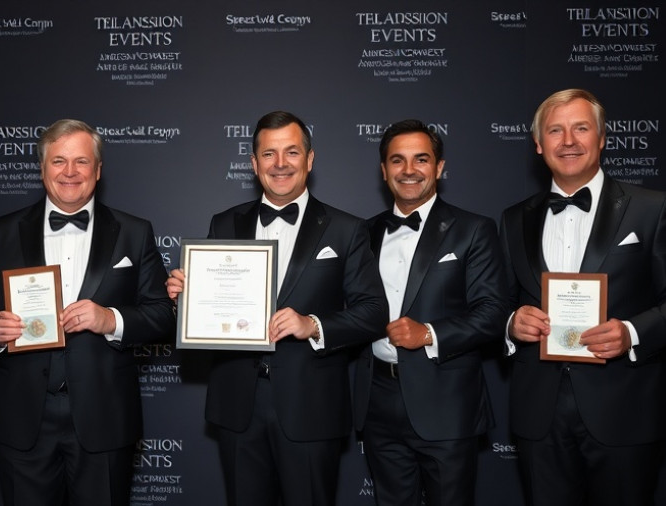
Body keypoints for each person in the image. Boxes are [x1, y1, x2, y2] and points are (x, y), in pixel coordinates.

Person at [166, 111, 387, 506]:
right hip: (238, 404)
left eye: (291, 152)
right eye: (269, 154)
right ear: (253, 164)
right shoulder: (225, 222)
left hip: (310, 405)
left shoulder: (346, 228)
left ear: (310, 159)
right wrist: (187, 298)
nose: (280, 164)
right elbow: (212, 309)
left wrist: (313, 324)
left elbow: (373, 311)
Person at [0, 119, 174, 506]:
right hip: (22, 418)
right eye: (59, 161)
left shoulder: (134, 231)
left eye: (81, 161)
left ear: (98, 170)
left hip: (104, 418)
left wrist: (112, 320)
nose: (70, 172)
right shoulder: (2, 231)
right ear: (42, 169)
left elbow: (162, 314)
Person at [500, 88, 666, 505]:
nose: (568, 141)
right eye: (555, 130)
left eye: (580, 128)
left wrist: (632, 332)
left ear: (603, 138)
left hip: (624, 409)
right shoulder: (514, 217)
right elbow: (497, 301)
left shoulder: (652, 209)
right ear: (539, 145)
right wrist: (511, 322)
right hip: (539, 412)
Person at [353, 119, 508, 505]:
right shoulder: (363, 233)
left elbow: (493, 311)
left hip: (446, 403)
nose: (408, 170)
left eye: (421, 159)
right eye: (397, 160)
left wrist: (429, 334)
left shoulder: (473, 229)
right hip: (376, 400)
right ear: (383, 169)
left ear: (439, 168)